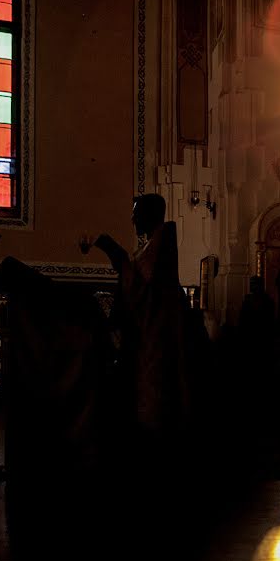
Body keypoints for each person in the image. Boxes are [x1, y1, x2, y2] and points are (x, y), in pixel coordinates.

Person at [93, 193, 194, 458]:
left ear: (150, 214)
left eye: (137, 212)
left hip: (158, 338)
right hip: (153, 332)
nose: (132, 217)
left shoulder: (159, 247)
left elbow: (138, 286)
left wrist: (113, 251)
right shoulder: (152, 246)